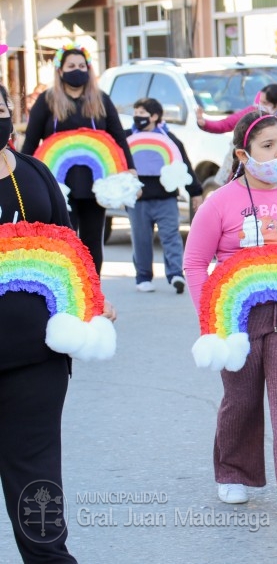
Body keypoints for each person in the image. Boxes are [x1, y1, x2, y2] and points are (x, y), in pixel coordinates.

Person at [183, 111, 277, 522]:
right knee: (241, 400)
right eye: (268, 146)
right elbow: (195, 263)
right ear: (244, 154)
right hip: (236, 320)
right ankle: (233, 470)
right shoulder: (220, 202)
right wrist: (209, 320)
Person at [0, 83, 117, 563]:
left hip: (37, 359)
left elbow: (71, 249)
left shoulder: (34, 173)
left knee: (38, 486)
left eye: (0, 105)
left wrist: (92, 304)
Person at [21, 43, 135, 275]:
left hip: (95, 185)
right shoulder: (47, 101)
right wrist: (22, 176)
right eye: (71, 66)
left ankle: (94, 294)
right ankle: (69, 291)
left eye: (82, 65)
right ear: (60, 70)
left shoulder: (100, 99)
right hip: (58, 187)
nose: (77, 70)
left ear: (89, 69)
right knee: (64, 240)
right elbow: (31, 143)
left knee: (93, 242)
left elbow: (119, 138)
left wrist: (130, 169)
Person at [125, 97, 203, 293]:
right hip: (138, 199)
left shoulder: (170, 140)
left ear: (154, 116)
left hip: (165, 198)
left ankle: (176, 274)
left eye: (142, 113)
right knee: (141, 239)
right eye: (136, 112)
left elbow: (184, 165)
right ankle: (143, 276)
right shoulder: (126, 138)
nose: (137, 117)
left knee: (171, 236)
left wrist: (195, 192)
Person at [196, 83, 277, 182]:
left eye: (265, 103)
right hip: (243, 172)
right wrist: (205, 123)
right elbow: (227, 123)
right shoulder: (252, 113)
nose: (261, 105)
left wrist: (275, 168)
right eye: (260, 101)